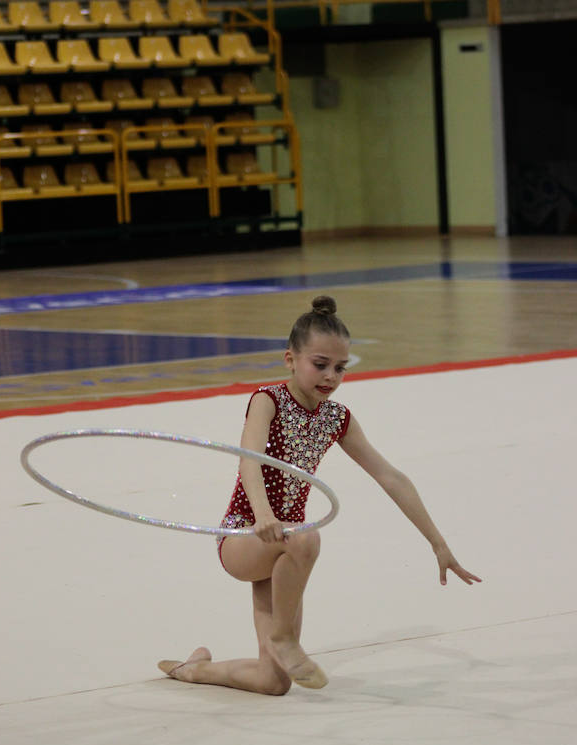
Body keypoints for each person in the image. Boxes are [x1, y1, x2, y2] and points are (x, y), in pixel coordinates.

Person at [158, 296, 481, 695]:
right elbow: (250, 461)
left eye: (340, 368)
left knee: (273, 682)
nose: (330, 376)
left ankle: (194, 670)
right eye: (320, 364)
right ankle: (284, 638)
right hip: (245, 537)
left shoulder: (335, 418)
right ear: (290, 359)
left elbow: (390, 476)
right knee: (307, 536)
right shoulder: (268, 400)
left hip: (284, 548)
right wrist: (262, 514)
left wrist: (438, 543)